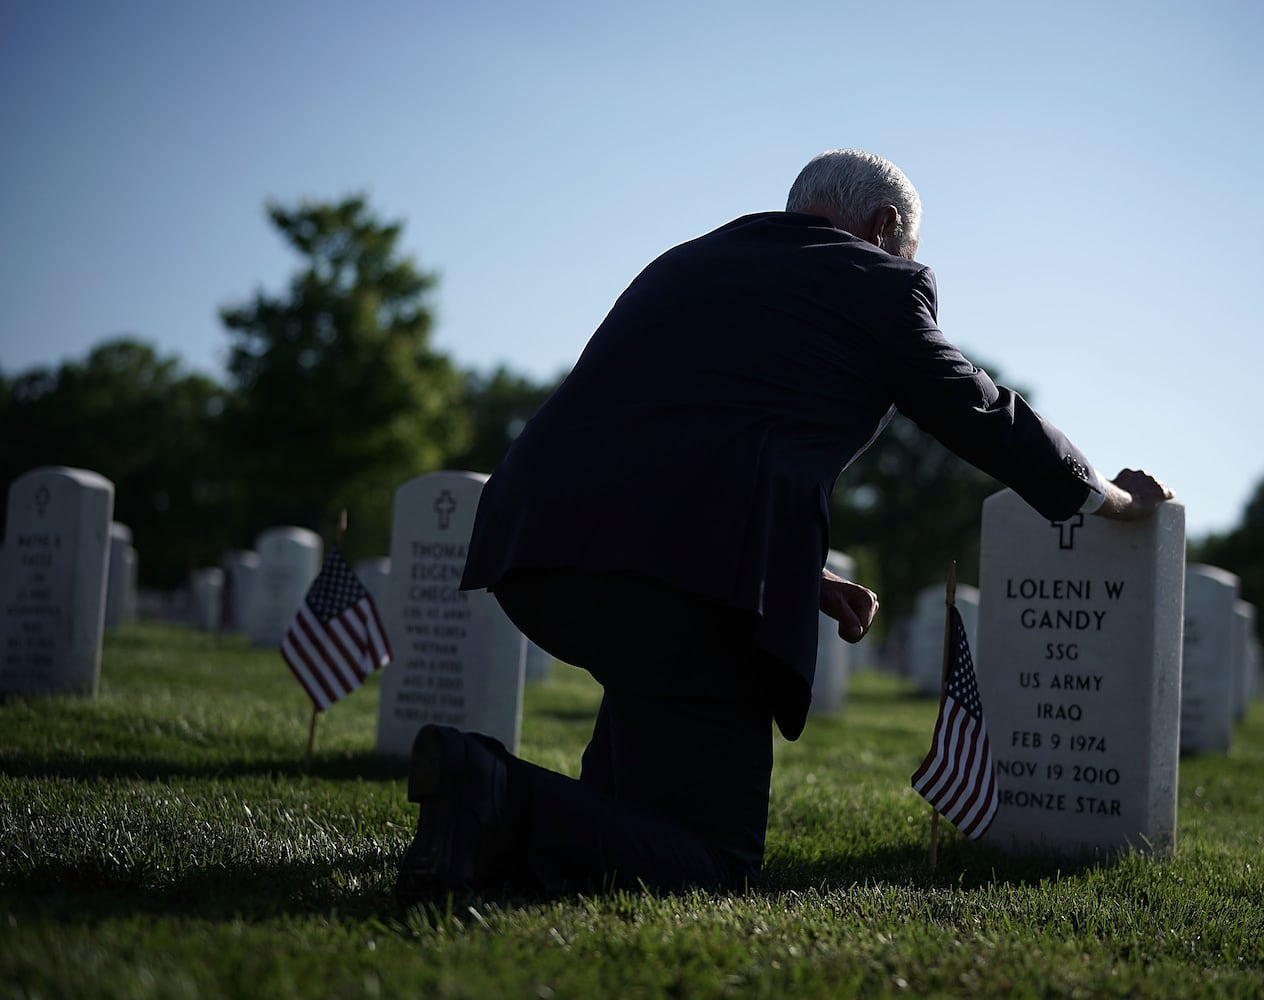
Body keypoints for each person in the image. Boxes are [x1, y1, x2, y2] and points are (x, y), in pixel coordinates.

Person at [395, 149, 1173, 900]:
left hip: (535, 546)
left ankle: (479, 837)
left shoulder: (688, 261)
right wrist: (1105, 495)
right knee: (717, 857)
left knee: (643, 802)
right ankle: (484, 784)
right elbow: (982, 413)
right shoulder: (876, 280)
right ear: (883, 225)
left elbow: (681, 437)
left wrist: (803, 575)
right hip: (668, 583)